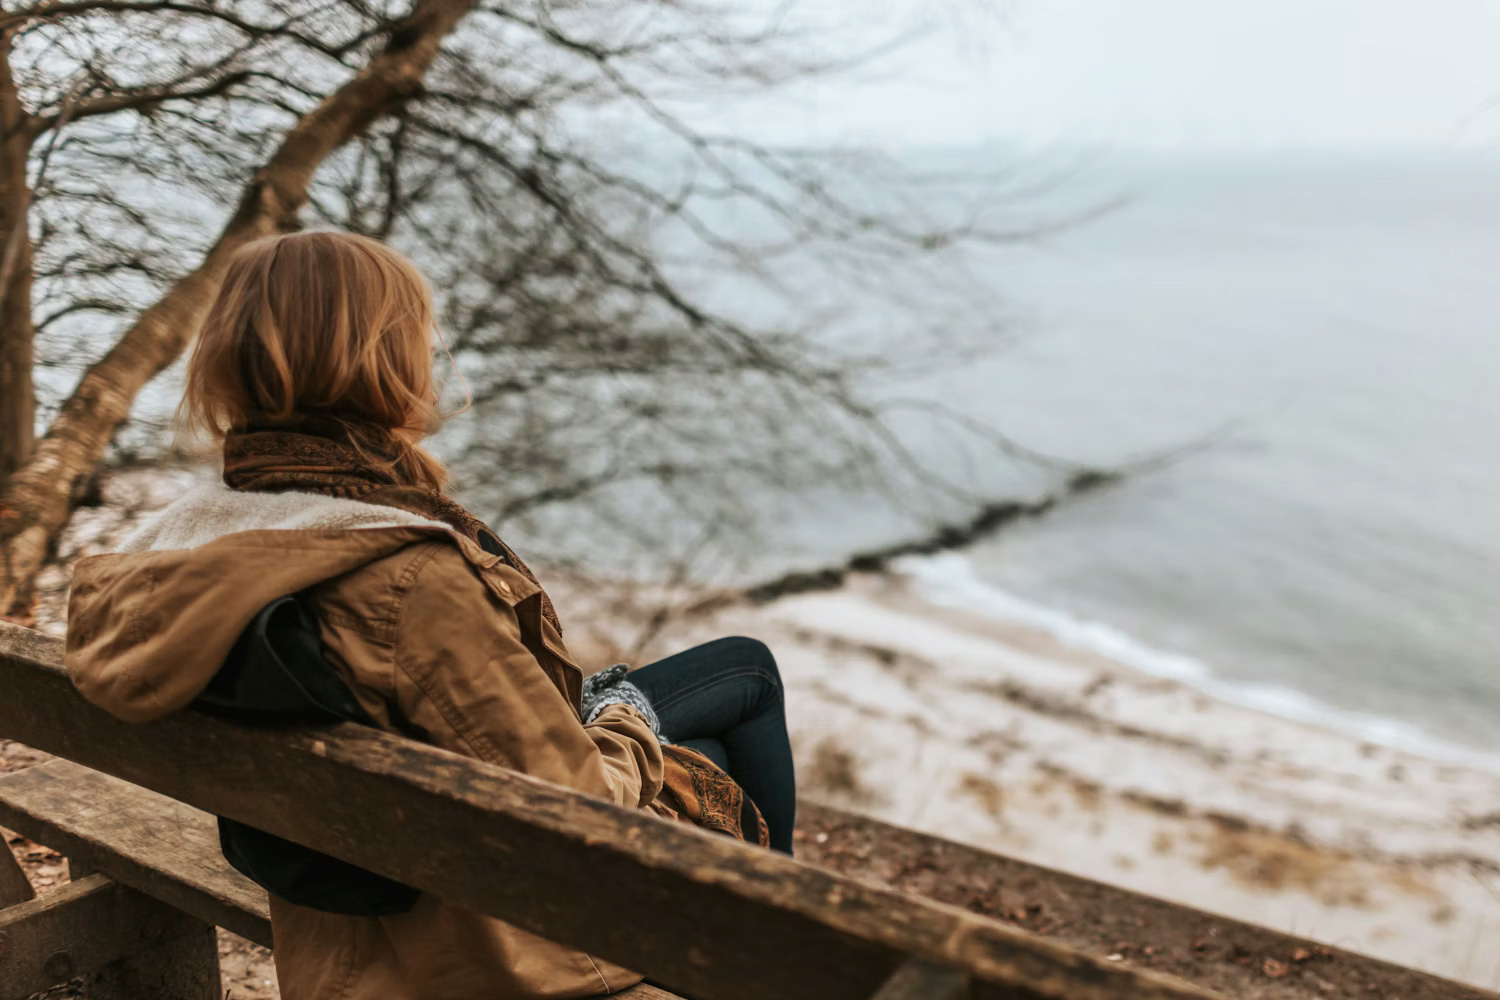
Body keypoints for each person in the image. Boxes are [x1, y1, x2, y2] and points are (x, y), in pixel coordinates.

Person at [63, 231, 796, 1000]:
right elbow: (573, 810)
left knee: (730, 685)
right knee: (744, 678)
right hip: (497, 942)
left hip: (341, 931)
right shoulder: (406, 579)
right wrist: (626, 717)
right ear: (383, 360)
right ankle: (780, 956)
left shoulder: (189, 542)